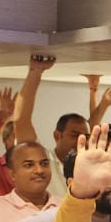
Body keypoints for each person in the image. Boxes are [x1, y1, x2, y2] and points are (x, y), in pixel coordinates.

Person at [11, 54, 95, 197]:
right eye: (74, 135)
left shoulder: (90, 167)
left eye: (86, 136)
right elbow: (22, 120)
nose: (81, 141)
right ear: (57, 135)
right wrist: (35, 73)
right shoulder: (43, 159)